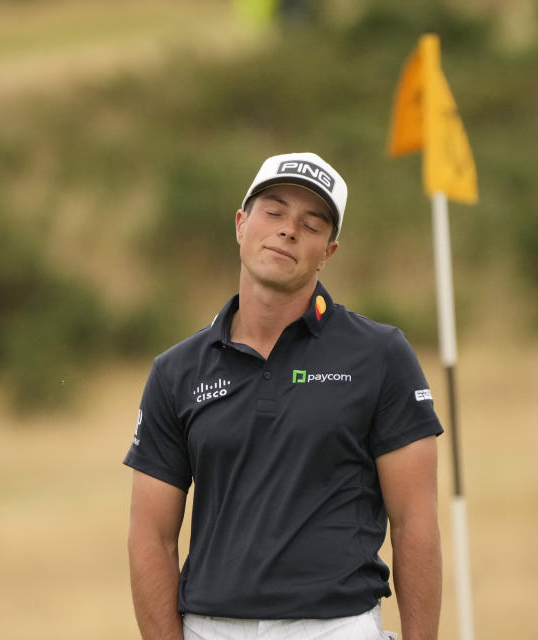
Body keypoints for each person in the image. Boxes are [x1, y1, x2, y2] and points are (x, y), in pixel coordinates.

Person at [125, 152, 443, 640]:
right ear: (241, 224)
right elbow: (152, 537)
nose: (289, 230)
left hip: (335, 628)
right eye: (274, 212)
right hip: (210, 629)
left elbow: (414, 521)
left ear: (328, 252)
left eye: (311, 224)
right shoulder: (176, 371)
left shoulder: (380, 355)